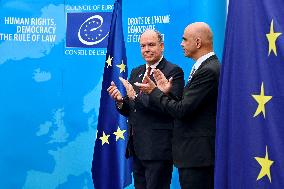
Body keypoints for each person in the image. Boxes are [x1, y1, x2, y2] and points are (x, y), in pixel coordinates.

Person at [137, 22, 220, 189]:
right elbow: (187, 105)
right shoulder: (204, 67)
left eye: (184, 40)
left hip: (198, 156)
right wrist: (167, 92)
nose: (181, 44)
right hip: (194, 155)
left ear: (197, 42)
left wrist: (154, 92)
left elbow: (182, 110)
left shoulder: (208, 70)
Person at [107, 29, 184, 189]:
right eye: (143, 46)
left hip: (158, 149)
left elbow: (172, 108)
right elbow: (132, 108)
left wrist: (136, 98)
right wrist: (121, 101)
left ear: (161, 46)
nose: (146, 49)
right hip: (137, 147)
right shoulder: (137, 71)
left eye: (151, 45)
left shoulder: (173, 72)